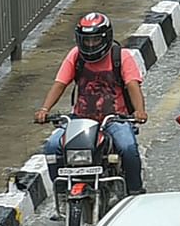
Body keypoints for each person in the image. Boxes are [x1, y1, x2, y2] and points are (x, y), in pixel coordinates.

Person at [35, 12, 146, 195]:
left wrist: (140, 111)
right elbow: (60, 84)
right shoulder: (76, 56)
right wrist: (44, 109)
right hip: (80, 119)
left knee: (128, 147)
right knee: (53, 146)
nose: (91, 44)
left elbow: (133, 86)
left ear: (106, 38)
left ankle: (135, 191)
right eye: (86, 41)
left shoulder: (121, 56)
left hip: (114, 120)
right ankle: (62, 191)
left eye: (95, 40)